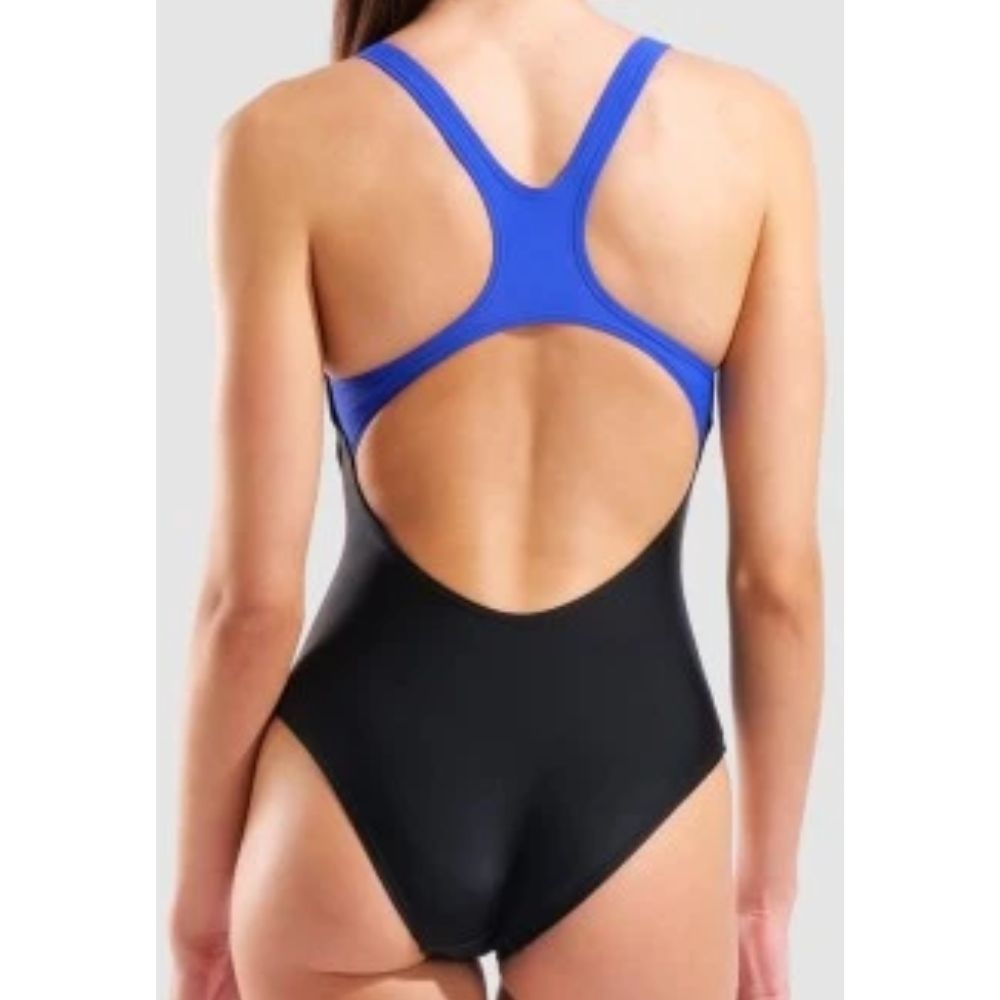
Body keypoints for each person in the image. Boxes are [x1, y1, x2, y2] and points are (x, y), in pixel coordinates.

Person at [169, 0, 824, 997]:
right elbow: (777, 584)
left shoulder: (285, 139)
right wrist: (762, 896)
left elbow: (248, 606)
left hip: (354, 786)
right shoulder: (750, 133)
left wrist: (200, 910)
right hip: (637, 785)